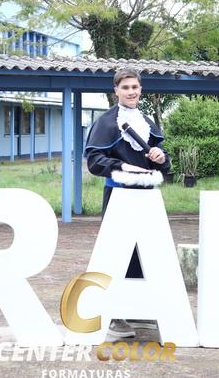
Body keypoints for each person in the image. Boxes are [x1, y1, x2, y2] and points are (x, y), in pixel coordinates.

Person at [83, 68, 170, 339]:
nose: (131, 92)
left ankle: (137, 310)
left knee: (144, 254)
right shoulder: (106, 122)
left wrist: (161, 157)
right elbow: (95, 162)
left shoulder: (147, 122)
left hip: (147, 196)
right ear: (116, 91)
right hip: (119, 194)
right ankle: (113, 317)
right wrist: (122, 166)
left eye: (135, 87)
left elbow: (164, 166)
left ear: (140, 89)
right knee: (117, 253)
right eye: (125, 87)